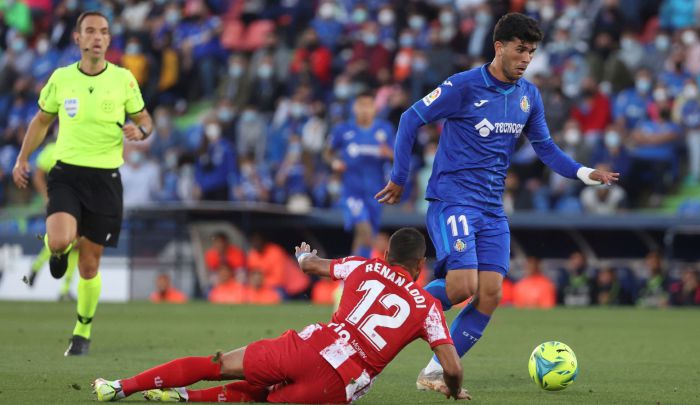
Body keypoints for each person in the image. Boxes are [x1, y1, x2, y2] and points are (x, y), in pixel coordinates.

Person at [375, 13, 619, 392]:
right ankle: (384, 312)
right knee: (460, 286)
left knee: (489, 293)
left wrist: (586, 173)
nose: (526, 59)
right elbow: (410, 119)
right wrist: (399, 178)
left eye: (532, 52)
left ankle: (434, 371)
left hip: (491, 208)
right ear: (499, 47)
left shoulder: (528, 96)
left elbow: (547, 149)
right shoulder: (462, 86)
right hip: (453, 199)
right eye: (520, 50)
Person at [92, 228, 470, 403]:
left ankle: (119, 387)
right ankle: (186, 398)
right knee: (263, 398)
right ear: (420, 265)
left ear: (387, 254)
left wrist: (303, 256)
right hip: (339, 382)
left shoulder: (363, 266)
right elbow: (452, 367)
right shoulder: (428, 307)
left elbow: (312, 266)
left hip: (311, 344)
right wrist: (453, 392)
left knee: (220, 363)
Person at [11, 11, 153, 356]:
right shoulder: (61, 78)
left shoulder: (123, 80)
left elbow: (145, 119)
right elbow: (42, 120)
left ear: (108, 39)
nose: (97, 37)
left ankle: (82, 332)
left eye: (103, 32)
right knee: (60, 240)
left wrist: (142, 131)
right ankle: (57, 252)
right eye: (90, 31)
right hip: (67, 175)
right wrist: (22, 158)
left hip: (106, 180)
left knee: (90, 264)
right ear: (78, 38)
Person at [327, 91, 394, 258]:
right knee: (364, 229)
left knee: (363, 237)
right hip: (352, 192)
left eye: (368, 105)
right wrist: (334, 162)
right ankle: (385, 257)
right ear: (354, 108)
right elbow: (327, 153)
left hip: (377, 192)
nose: (365, 109)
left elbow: (398, 156)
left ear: (375, 108)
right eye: (361, 105)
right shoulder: (343, 130)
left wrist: (389, 154)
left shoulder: (385, 129)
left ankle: (353, 275)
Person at [24, 140, 79, 301]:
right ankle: (62, 287)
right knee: (64, 241)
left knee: (75, 244)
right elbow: (38, 175)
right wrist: (47, 198)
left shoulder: (76, 146)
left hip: (77, 202)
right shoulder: (52, 150)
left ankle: (64, 289)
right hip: (61, 201)